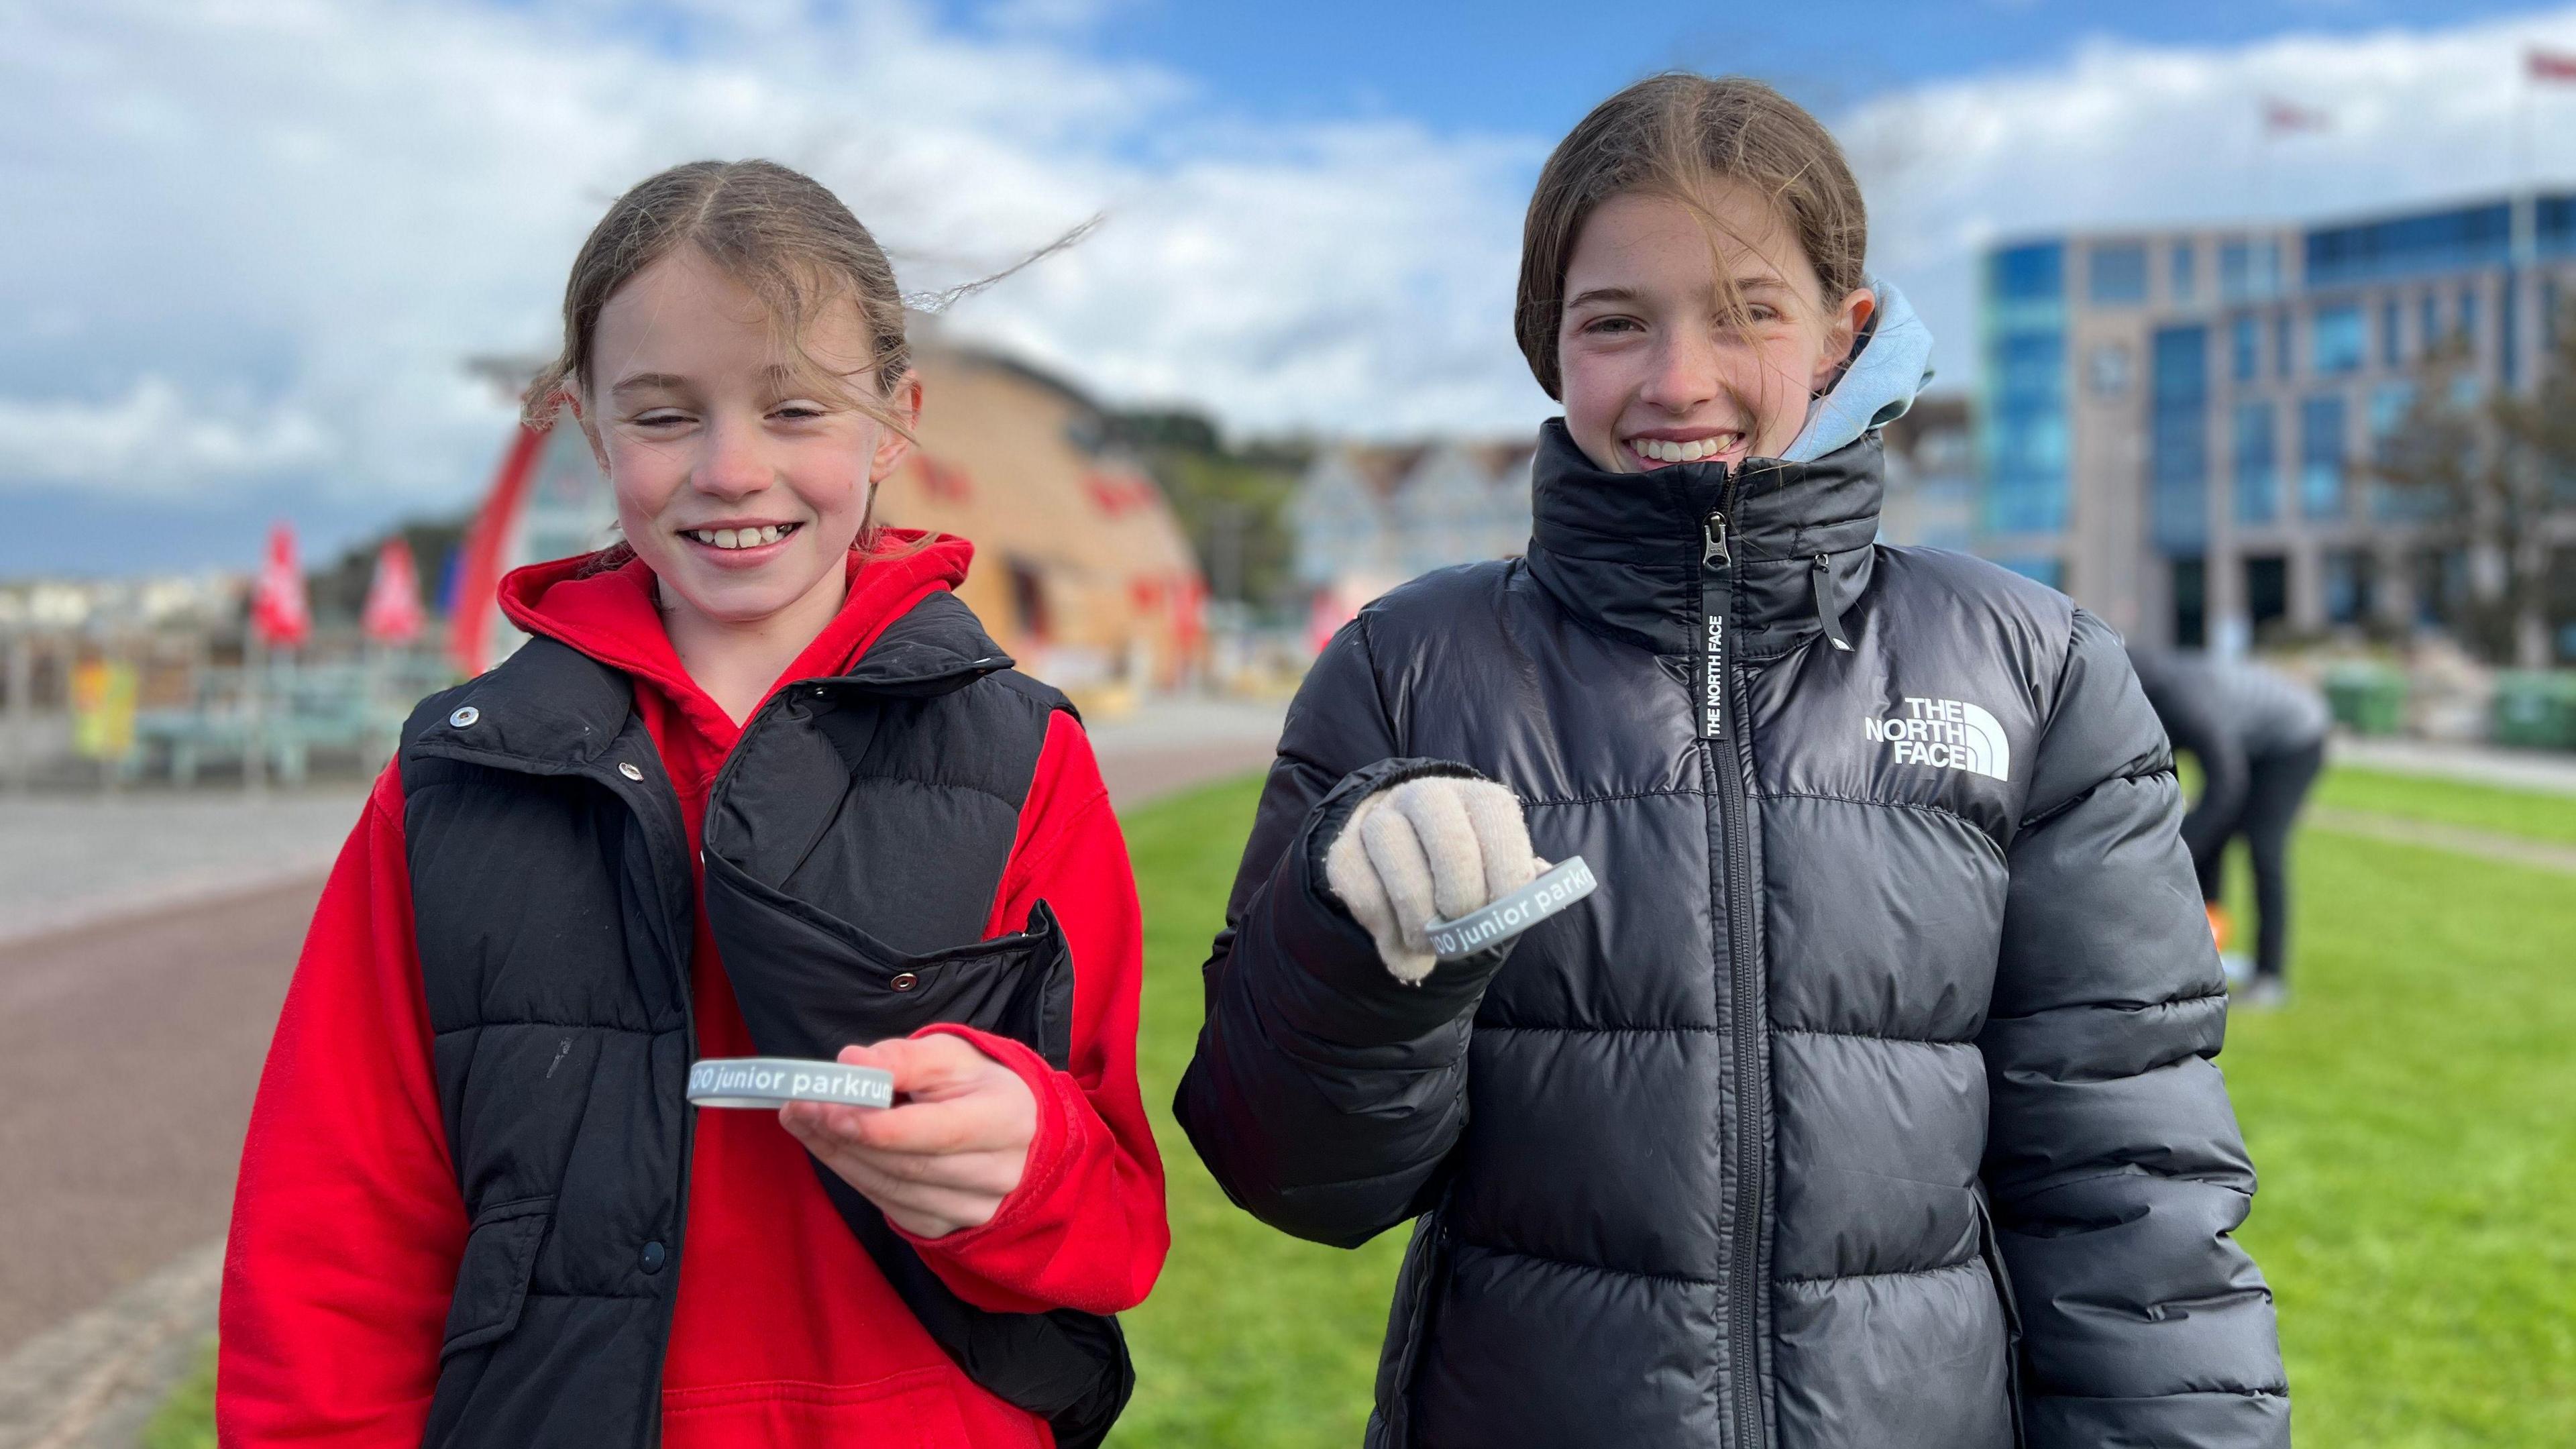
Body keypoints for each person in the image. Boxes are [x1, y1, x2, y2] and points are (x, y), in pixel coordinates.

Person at [1177, 75, 2287, 1448]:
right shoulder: (1407, 665)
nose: (1678, 380)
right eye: (1616, 323)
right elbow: (1293, 1177)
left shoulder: (2033, 664)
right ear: (1551, 348)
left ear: (1843, 331)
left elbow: (2135, 1178)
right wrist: (1356, 951)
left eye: (1748, 310)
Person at [219, 160, 1167, 1449]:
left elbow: (1115, 1231)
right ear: (589, 427)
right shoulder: (453, 779)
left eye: (794, 409)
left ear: (896, 422)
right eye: (664, 417)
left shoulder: (1024, 758)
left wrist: (1025, 1162)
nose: (731, 469)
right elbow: (331, 1243)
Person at [2126, 647, 2331, 1008]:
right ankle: (2205, 957)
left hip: (2294, 739)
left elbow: (2226, 783)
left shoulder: (2183, 702)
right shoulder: (2147, 695)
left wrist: (2182, 845)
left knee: (2264, 847)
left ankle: (2271, 977)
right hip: (2248, 738)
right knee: (2211, 842)